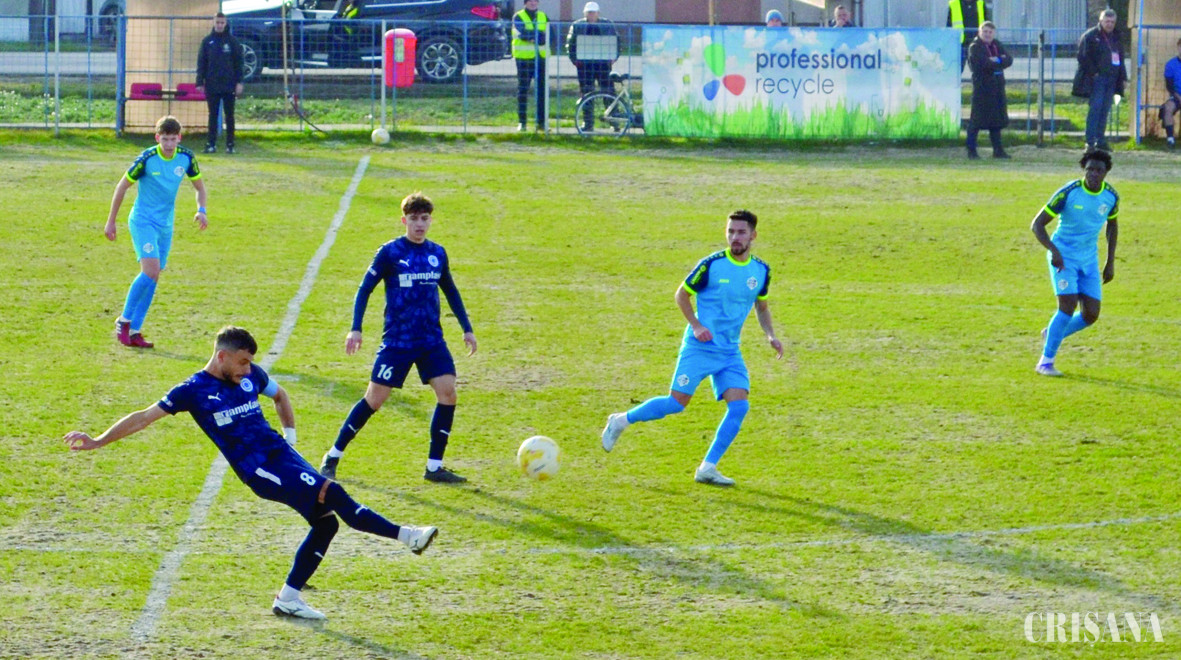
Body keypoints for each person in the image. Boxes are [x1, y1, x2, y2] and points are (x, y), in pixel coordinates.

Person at [63, 325, 439, 621]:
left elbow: (281, 396)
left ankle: (288, 599)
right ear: (222, 356)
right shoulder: (193, 390)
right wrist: (99, 440)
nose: (248, 370)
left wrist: (290, 439)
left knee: (326, 524)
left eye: (250, 363)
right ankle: (408, 536)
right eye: (242, 362)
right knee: (334, 494)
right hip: (259, 469)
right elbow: (144, 417)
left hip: (282, 456)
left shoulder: (249, 376)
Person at [600, 210, 784, 486]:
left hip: (729, 352)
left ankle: (707, 468)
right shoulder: (711, 265)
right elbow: (682, 295)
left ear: (753, 236)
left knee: (739, 407)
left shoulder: (761, 271)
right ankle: (621, 420)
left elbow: (762, 306)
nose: (735, 237)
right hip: (700, 347)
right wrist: (696, 326)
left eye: (741, 232)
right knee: (676, 404)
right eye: (731, 231)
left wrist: (770, 335)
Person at [321, 192, 477, 484]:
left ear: (430, 221)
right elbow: (364, 289)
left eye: (425, 219)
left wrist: (466, 328)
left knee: (448, 393)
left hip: (431, 340)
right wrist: (356, 328)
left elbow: (450, 290)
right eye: (414, 219)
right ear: (404, 220)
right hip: (398, 342)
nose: (420, 224)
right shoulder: (390, 253)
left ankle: (434, 467)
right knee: (374, 400)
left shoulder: (438, 253)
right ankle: (332, 456)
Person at [105, 115, 207, 349]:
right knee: (150, 270)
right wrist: (111, 221)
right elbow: (122, 186)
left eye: (173, 139)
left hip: (165, 225)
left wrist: (201, 210)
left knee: (154, 275)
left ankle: (135, 331)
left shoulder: (186, 158)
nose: (169, 144)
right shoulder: (147, 158)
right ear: (157, 138)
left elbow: (200, 188)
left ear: (179, 138)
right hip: (142, 221)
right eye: (165, 139)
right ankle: (124, 320)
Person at [1030, 150, 1119, 377]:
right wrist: (1054, 251)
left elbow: (1112, 225)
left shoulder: (1111, 197)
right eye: (1090, 169)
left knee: (1091, 315)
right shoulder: (1069, 192)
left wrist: (1110, 261)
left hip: (1089, 259)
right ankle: (1045, 363)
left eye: (1099, 170)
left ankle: (1053, 332)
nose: (1094, 174)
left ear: (1106, 172)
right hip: (1063, 257)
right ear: (1084, 170)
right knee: (1067, 307)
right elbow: (1037, 225)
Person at [1073, 9, 1126, 152]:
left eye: (1112, 22)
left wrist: (1123, 77)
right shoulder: (1090, 36)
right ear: (1101, 21)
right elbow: (1082, 56)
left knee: (1105, 110)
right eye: (1107, 21)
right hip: (1097, 80)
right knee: (1095, 110)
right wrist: (1094, 73)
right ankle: (1090, 142)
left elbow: (1120, 58)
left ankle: (1100, 141)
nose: (1110, 24)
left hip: (1112, 79)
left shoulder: (1116, 37)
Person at [196, 12, 244, 155]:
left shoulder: (232, 42)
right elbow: (201, 63)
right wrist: (199, 81)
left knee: (230, 115)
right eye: (217, 22)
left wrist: (239, 82)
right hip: (212, 84)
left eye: (222, 23)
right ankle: (211, 144)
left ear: (226, 23)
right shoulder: (207, 41)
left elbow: (239, 63)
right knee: (213, 115)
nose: (220, 25)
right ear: (213, 22)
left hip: (229, 84)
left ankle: (230, 145)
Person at [566, 1, 618, 132]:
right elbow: (570, 44)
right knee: (586, 94)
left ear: (598, 13)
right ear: (585, 13)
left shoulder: (608, 24)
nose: (591, 15)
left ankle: (614, 121)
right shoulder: (577, 25)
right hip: (585, 66)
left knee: (609, 92)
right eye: (589, 12)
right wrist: (574, 60)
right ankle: (588, 123)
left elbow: (617, 41)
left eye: (593, 12)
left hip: (603, 64)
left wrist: (614, 57)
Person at [966, 21, 1012, 159]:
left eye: (990, 32)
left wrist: (996, 60)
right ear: (980, 32)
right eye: (985, 31)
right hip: (982, 89)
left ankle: (998, 151)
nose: (987, 34)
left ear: (994, 33)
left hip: (997, 87)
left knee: (996, 121)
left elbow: (1009, 59)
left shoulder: (997, 44)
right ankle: (971, 151)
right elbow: (982, 64)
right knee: (976, 121)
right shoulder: (975, 47)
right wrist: (998, 61)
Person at [512, 0, 549, 132]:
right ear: (525, 2)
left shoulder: (543, 16)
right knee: (523, 90)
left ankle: (541, 123)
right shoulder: (518, 16)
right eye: (530, 1)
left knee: (542, 91)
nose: (533, 3)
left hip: (541, 58)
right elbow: (521, 34)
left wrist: (532, 36)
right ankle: (522, 122)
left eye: (535, 0)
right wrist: (537, 36)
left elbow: (550, 35)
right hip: (524, 59)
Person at [947, 0, 987, 72]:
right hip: (960, 44)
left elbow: (987, 23)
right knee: (956, 71)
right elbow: (949, 25)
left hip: (978, 43)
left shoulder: (981, 3)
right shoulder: (954, 3)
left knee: (979, 70)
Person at [1157, 37, 1181, 150]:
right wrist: (1178, 97)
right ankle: (1170, 139)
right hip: (1177, 96)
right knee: (1167, 108)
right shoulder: (1170, 64)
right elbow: (1169, 86)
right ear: (1178, 47)